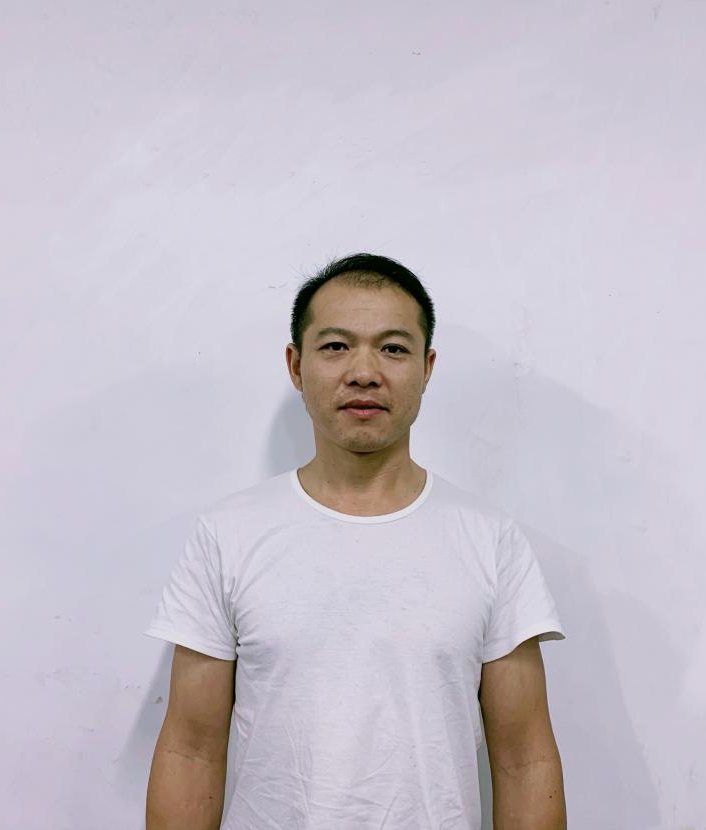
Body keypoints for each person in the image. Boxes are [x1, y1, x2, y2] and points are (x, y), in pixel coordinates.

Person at [144, 253, 568, 829]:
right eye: (336, 346)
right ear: (296, 366)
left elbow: (524, 758)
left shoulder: (491, 540)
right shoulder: (228, 534)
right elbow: (191, 749)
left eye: (392, 348)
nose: (364, 372)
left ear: (427, 367)